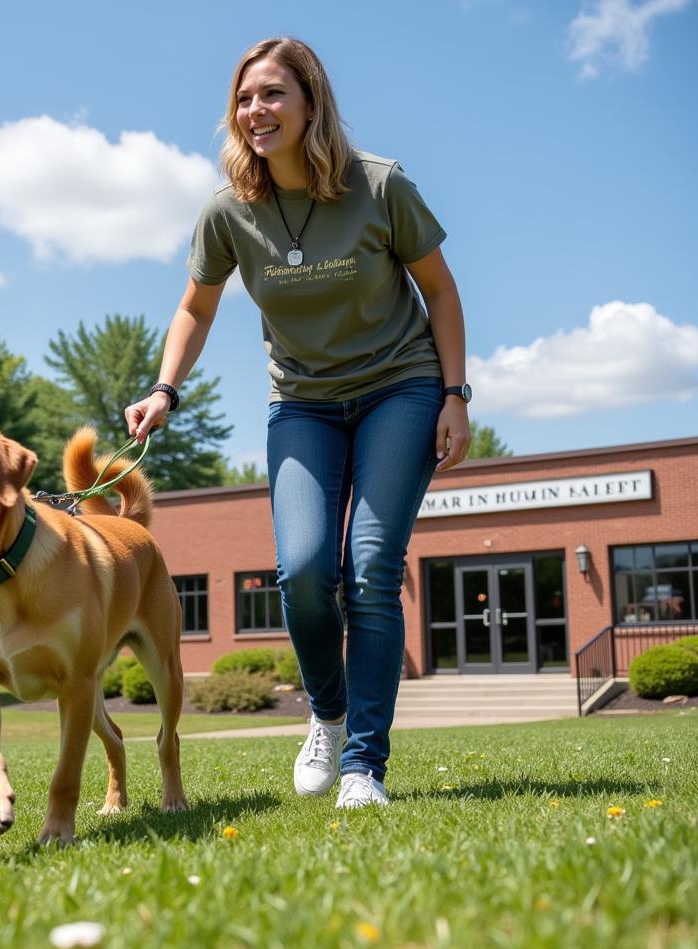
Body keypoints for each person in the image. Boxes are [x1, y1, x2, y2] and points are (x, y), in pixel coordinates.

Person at [124, 37, 471, 809]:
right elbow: (196, 307)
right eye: (246, 98)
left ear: (312, 102)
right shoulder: (228, 212)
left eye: (274, 94)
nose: (257, 111)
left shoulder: (380, 187)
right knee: (306, 571)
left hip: (400, 388)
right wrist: (164, 390)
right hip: (303, 403)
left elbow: (442, 293)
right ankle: (326, 708)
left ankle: (362, 766)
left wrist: (456, 394)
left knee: (372, 566)